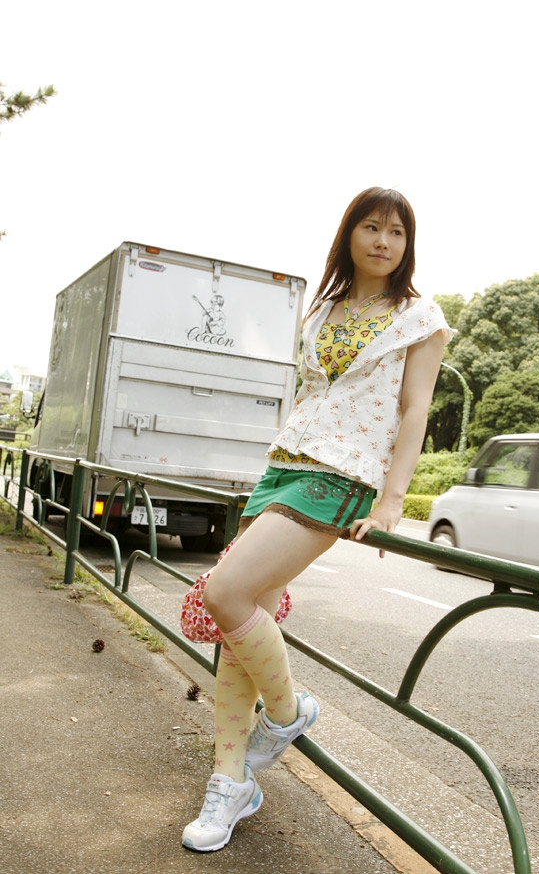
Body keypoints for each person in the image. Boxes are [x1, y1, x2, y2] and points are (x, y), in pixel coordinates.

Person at [182, 186, 453, 852]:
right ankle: (229, 782)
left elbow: (414, 410)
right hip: (284, 466)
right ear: (349, 234)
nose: (383, 241)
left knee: (225, 593)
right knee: (243, 623)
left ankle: (288, 711)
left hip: (341, 476)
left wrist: (392, 501)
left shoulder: (419, 318)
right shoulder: (323, 310)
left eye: (396, 232)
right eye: (371, 227)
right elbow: (309, 393)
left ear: (408, 244)